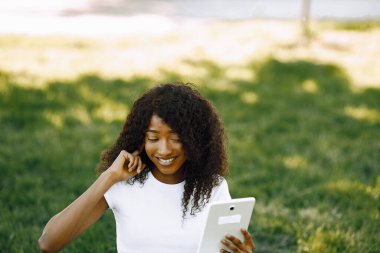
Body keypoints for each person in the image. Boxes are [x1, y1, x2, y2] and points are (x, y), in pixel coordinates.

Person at [38, 83, 255, 253]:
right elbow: (49, 243)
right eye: (153, 138)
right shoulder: (123, 184)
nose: (164, 149)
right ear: (141, 139)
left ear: (194, 140)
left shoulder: (213, 187)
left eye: (176, 138)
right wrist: (108, 177)